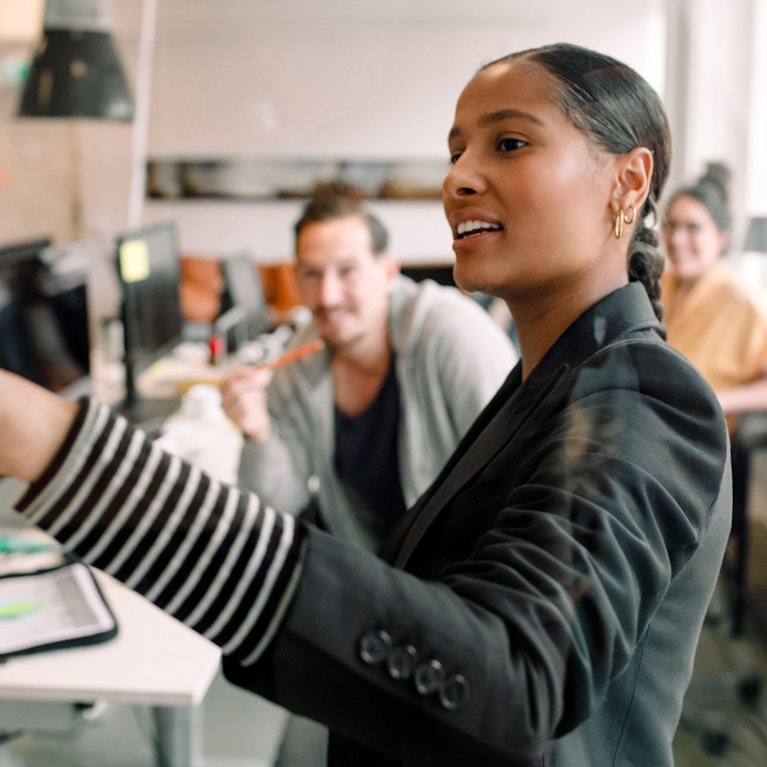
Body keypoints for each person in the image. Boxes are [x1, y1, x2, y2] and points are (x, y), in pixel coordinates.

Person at [0, 42, 731, 767]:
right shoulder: (543, 386)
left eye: (509, 143)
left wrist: (61, 450)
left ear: (627, 181)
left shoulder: (649, 396)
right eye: (455, 152)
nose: (457, 178)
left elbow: (512, 683)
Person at [221, 185, 518, 553]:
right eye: (312, 274)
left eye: (347, 271)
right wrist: (258, 432)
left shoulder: (453, 335)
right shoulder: (298, 361)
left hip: (461, 565)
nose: (327, 296)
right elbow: (276, 508)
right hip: (367, 569)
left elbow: (516, 480)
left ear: (388, 271)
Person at [660, 162, 767, 427]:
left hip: (696, 436)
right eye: (671, 225)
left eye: (693, 227)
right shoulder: (655, 284)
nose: (677, 239)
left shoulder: (746, 305)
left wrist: (715, 401)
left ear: (722, 237)